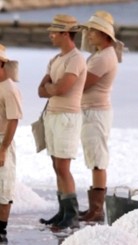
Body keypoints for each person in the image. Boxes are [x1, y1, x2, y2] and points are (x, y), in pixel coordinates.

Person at [37, 14, 87, 231]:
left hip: (67, 117)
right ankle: (63, 210)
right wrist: (51, 88)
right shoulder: (55, 60)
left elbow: (60, 89)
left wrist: (51, 88)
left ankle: (72, 214)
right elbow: (41, 91)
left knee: (64, 167)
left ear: (66, 34)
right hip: (52, 115)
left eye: (54, 32)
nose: (50, 35)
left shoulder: (76, 59)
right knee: (56, 165)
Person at [78, 10, 124, 223]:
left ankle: (96, 210)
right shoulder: (100, 55)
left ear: (104, 34)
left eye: (92, 31)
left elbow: (82, 84)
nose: (88, 35)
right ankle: (94, 209)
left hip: (96, 111)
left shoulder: (103, 57)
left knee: (97, 159)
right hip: (93, 110)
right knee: (95, 158)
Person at [0, 44, 22, 244]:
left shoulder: (9, 88)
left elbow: (14, 120)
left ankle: (1, 229)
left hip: (2, 138)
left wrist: (3, 148)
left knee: (3, 186)